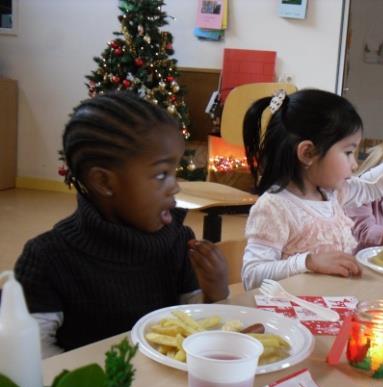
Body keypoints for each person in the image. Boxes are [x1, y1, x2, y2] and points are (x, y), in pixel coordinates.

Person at [14, 92, 229, 357]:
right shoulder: (47, 258)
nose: (175, 185)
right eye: (161, 174)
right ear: (104, 182)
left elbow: (194, 323)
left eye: (175, 172)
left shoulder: (178, 240)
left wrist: (214, 290)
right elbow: (34, 355)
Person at [241, 89, 383, 290]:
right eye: (348, 152)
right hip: (294, 315)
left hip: (333, 306)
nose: (354, 164)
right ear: (308, 153)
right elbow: (252, 276)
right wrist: (308, 262)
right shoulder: (275, 207)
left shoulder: (333, 193)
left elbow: (370, 187)